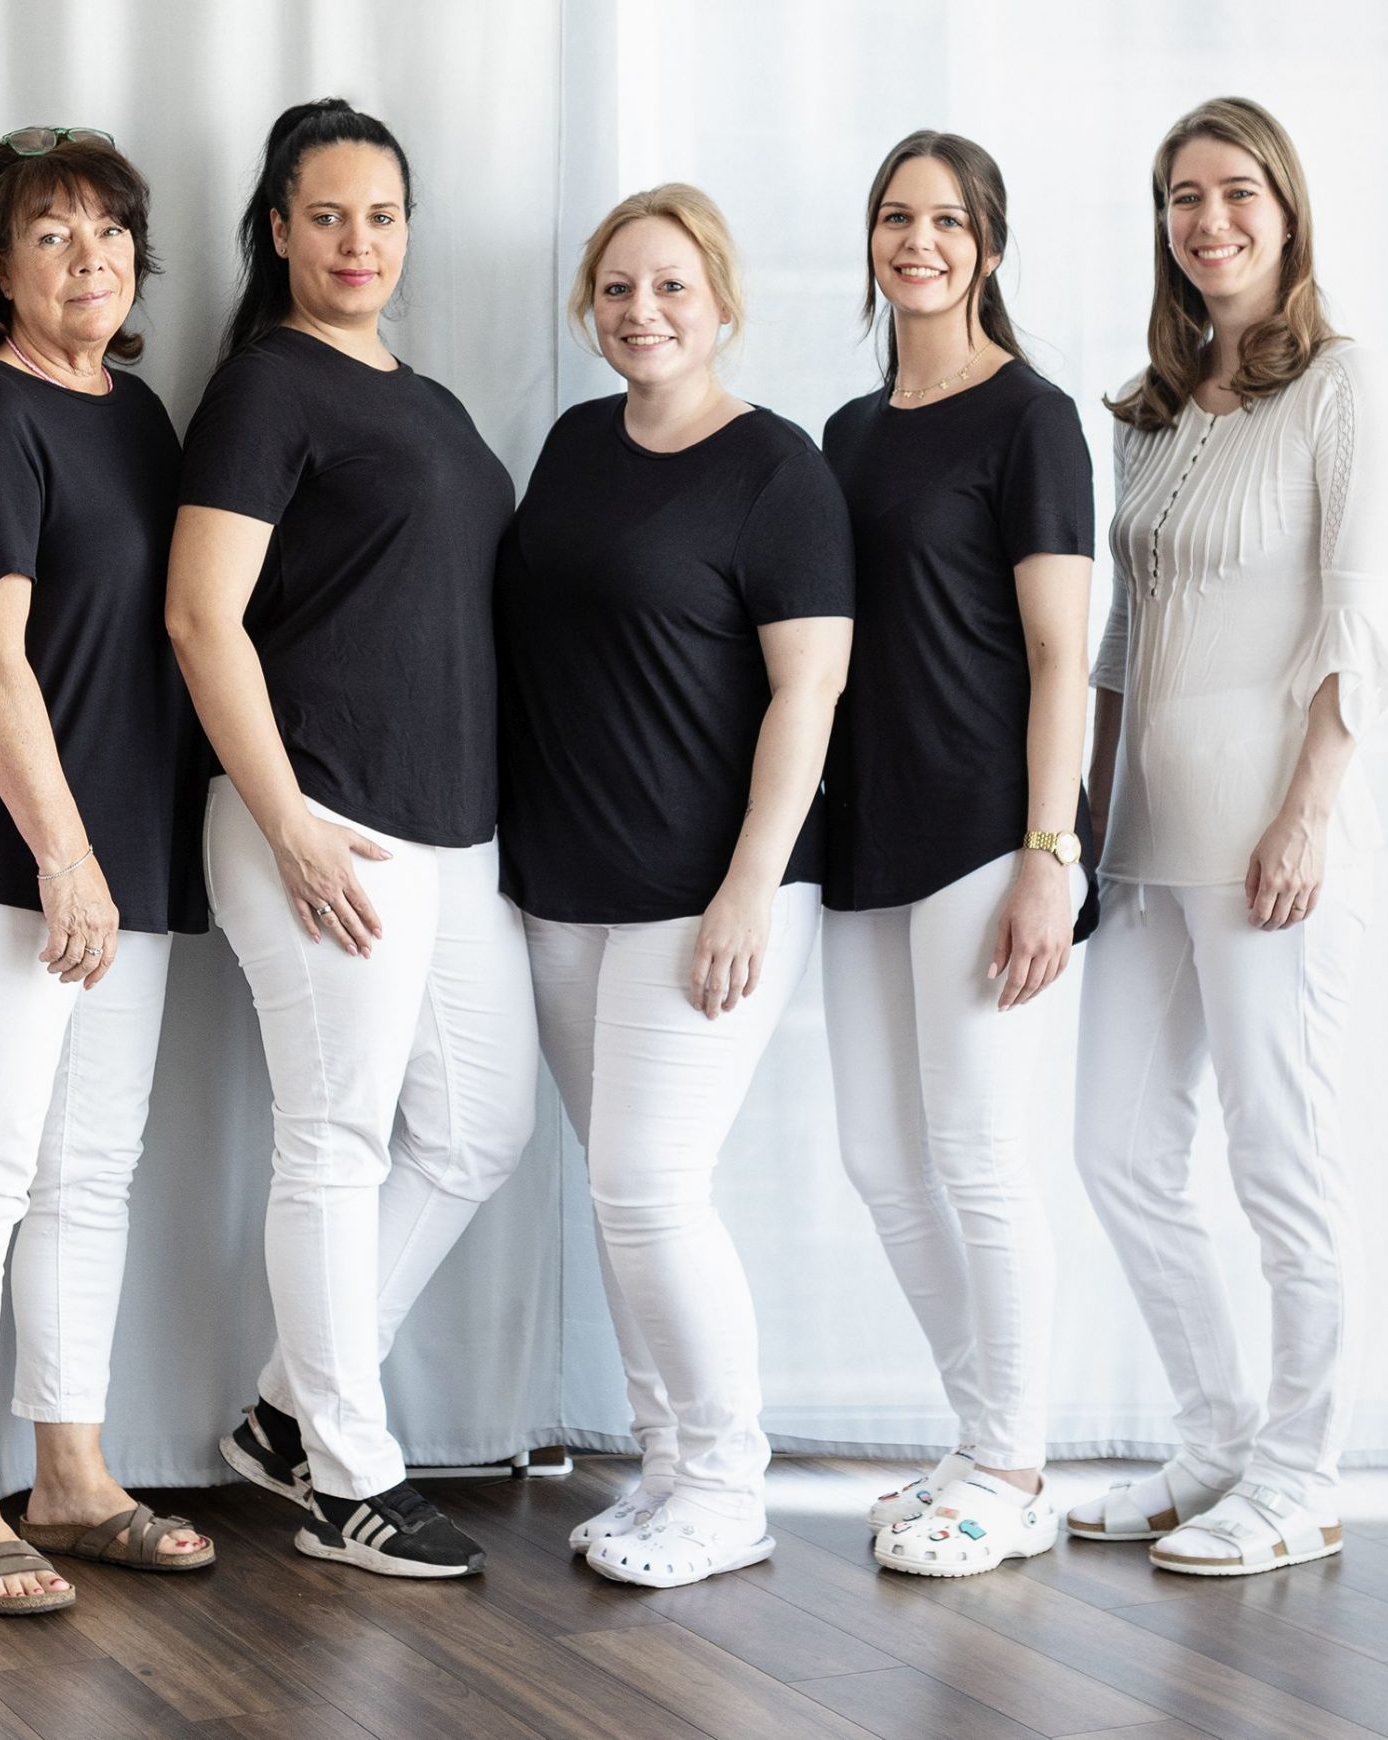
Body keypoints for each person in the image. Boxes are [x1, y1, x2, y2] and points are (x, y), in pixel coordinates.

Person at [165, 98, 537, 1579]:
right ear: (278, 231)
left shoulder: (427, 400)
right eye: (327, 216)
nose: (357, 241)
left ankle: (282, 1416)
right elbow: (201, 618)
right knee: (335, 1138)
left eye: (381, 216)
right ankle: (348, 1478)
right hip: (319, 813)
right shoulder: (266, 389)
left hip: (451, 830)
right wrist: (288, 826)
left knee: (479, 1129)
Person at [1068, 97, 1388, 1578]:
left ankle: (1305, 1473)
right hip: (1142, 845)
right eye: (1183, 198)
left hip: (1275, 840)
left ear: (1286, 209)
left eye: (1236, 193)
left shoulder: (1340, 384)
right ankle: (1215, 1441)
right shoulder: (1148, 411)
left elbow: (1357, 622)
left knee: (1284, 1164)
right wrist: (1078, 817)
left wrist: (1308, 814)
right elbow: (1122, 638)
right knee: (1116, 1152)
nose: (1208, 221)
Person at [497, 186, 853, 1589]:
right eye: (617, 288)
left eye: (670, 287)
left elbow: (808, 691)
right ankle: (663, 1469)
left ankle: (726, 1484)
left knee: (651, 1185)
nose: (641, 311)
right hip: (566, 883)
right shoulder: (575, 444)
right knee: (617, 1192)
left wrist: (750, 886)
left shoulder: (778, 471)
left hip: (707, 891)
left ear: (722, 304)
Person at [0, 127, 214, 1615]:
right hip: (19, 860)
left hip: (128, 856)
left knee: (89, 1176)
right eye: (50, 234)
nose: (89, 259)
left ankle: (72, 1475)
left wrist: (108, 862)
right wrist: (61, 854)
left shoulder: (139, 416)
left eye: (109, 232)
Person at [820, 131, 1096, 1578]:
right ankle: (987, 1434)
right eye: (893, 217)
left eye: (943, 220)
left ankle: (1014, 1467)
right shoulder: (849, 433)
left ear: (987, 243)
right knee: (882, 1157)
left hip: (990, 831)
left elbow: (1061, 656)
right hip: (866, 828)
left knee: (982, 1160)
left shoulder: (1033, 420)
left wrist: (1051, 851)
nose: (915, 242)